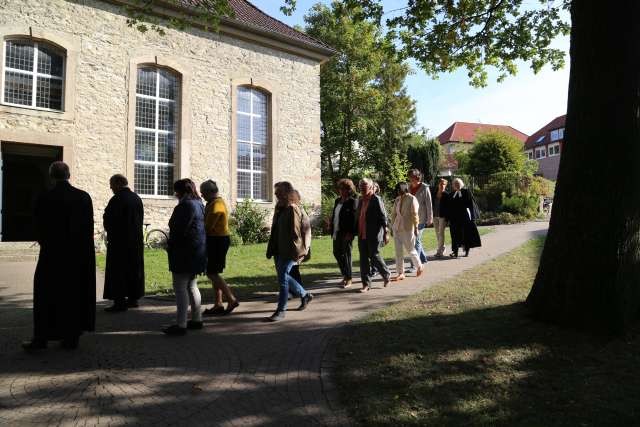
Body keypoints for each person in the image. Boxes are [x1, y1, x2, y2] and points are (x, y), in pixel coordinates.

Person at [22, 162, 95, 351]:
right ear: (68, 175)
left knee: (47, 295)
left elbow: (37, 226)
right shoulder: (83, 197)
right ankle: (71, 337)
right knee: (73, 295)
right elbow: (88, 229)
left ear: (51, 176)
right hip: (76, 257)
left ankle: (42, 338)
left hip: (52, 256)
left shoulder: (44, 197)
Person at [164, 179, 207, 335]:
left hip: (184, 252)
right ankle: (197, 319)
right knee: (191, 285)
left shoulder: (185, 206)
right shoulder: (199, 204)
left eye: (176, 191)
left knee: (180, 287)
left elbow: (179, 229)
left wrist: (170, 244)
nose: (175, 194)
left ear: (180, 192)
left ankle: (181, 325)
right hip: (197, 251)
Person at [265, 181, 313, 322]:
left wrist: (297, 253)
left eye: (278, 191)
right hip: (278, 249)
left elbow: (296, 233)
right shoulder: (279, 208)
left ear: (286, 193)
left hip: (290, 250)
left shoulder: (292, 209)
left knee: (283, 278)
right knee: (283, 276)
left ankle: (281, 310)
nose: (275, 194)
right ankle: (305, 295)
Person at [102, 174, 145, 312]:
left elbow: (109, 219)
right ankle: (133, 299)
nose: (111, 187)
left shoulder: (117, 199)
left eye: (112, 184)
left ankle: (119, 302)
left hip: (120, 242)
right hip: (135, 241)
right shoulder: (136, 198)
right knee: (133, 269)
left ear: (119, 184)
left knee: (119, 271)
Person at [200, 180, 239, 317]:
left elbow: (209, 225)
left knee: (212, 273)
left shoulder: (217, 204)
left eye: (203, 193)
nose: (202, 195)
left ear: (210, 192)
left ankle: (231, 299)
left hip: (217, 240)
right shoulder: (213, 203)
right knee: (213, 272)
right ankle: (218, 304)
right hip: (215, 240)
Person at [355, 178, 390, 292]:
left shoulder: (376, 199)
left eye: (364, 188)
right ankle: (365, 284)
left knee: (374, 255)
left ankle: (385, 274)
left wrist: (386, 232)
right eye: (361, 188)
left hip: (374, 233)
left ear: (370, 187)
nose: (362, 190)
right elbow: (359, 215)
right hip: (361, 233)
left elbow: (383, 216)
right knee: (363, 259)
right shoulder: (360, 199)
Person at [390, 182, 423, 281]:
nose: (397, 191)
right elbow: (393, 214)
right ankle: (400, 273)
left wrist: (416, 228)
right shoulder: (397, 199)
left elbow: (415, 214)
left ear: (404, 189)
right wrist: (392, 227)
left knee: (410, 250)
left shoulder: (412, 198)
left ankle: (419, 266)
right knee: (398, 252)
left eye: (398, 189)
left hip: (408, 228)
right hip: (397, 228)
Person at [329, 179, 357, 288]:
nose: (340, 190)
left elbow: (354, 219)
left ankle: (349, 278)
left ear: (348, 190)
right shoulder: (337, 201)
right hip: (336, 231)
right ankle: (345, 275)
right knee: (336, 252)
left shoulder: (352, 201)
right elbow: (336, 215)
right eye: (339, 188)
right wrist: (330, 223)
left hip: (346, 233)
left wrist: (351, 233)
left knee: (346, 255)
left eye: (342, 188)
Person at [447, 178, 482, 257]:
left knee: (466, 234)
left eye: (458, 183)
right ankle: (455, 252)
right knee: (455, 235)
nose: (456, 185)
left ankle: (467, 251)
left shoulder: (466, 192)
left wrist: (472, 216)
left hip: (465, 217)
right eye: (455, 184)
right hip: (454, 218)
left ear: (461, 184)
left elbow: (471, 205)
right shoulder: (452, 194)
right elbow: (449, 207)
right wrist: (448, 218)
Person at [408, 169, 433, 267]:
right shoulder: (409, 187)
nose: (410, 179)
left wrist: (430, 218)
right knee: (416, 240)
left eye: (412, 177)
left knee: (416, 240)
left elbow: (429, 204)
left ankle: (414, 265)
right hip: (411, 218)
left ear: (417, 177)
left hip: (421, 218)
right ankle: (423, 258)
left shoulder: (424, 188)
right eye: (409, 177)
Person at [432, 178, 450, 258]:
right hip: (435, 216)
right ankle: (442, 248)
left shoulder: (446, 195)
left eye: (444, 184)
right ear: (438, 185)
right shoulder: (434, 193)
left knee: (441, 233)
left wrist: (448, 218)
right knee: (437, 233)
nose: (442, 186)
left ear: (446, 186)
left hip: (443, 216)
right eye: (441, 184)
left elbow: (449, 208)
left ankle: (439, 251)